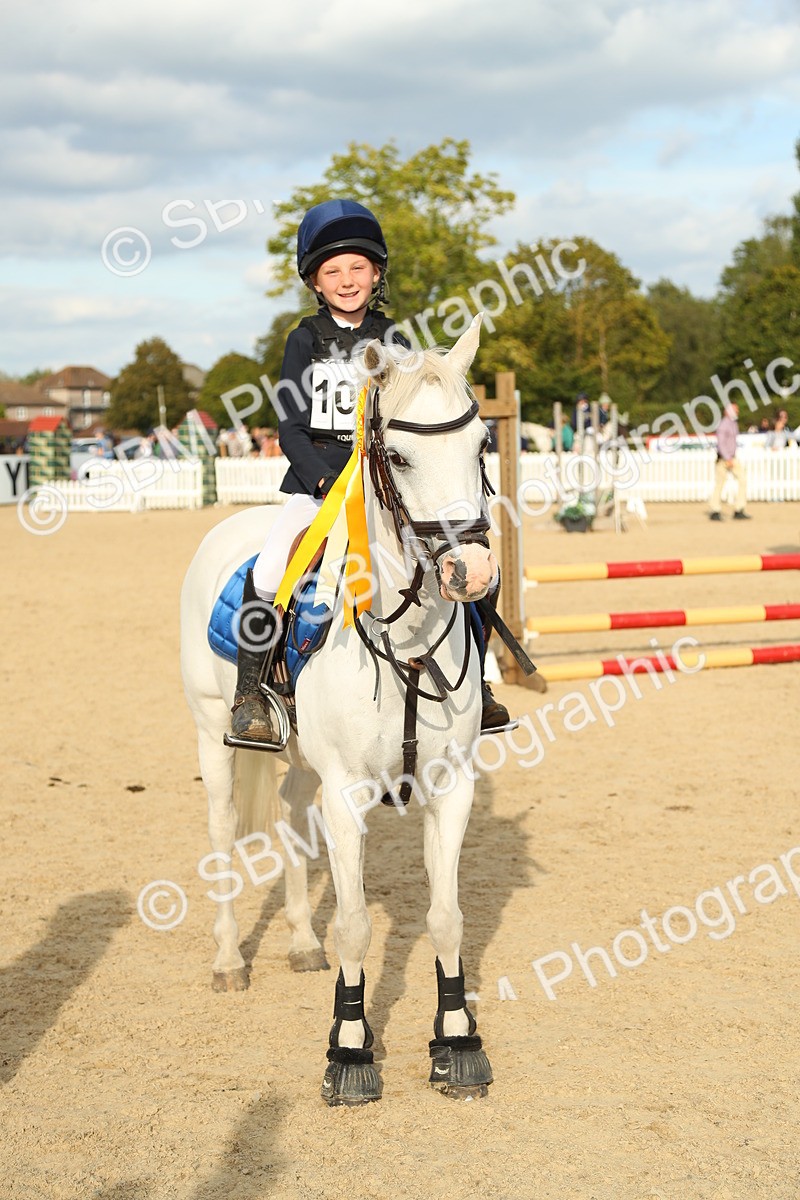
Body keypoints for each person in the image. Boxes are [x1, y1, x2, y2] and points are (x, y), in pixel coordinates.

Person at [229, 199, 513, 747]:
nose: (347, 279)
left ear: (377, 273)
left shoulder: (398, 340)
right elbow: (289, 428)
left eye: (358, 267)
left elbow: (416, 422)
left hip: (387, 488)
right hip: (322, 485)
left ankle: (476, 682)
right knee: (268, 571)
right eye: (332, 271)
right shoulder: (303, 340)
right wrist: (320, 480)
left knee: (474, 565)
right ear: (314, 281)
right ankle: (251, 695)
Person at [709, 401, 750, 521]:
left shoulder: (733, 424)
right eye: (735, 410)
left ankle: (739, 508)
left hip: (732, 457)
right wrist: (727, 458)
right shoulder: (723, 425)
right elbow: (721, 444)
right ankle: (715, 510)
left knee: (743, 480)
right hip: (724, 459)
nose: (737, 412)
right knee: (720, 483)